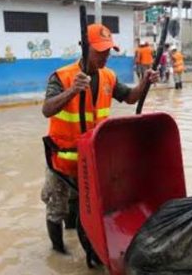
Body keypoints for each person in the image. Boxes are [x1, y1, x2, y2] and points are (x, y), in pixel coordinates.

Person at [41, 23, 159, 254]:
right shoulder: (62, 77)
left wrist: (144, 82)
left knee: (81, 205)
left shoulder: (108, 77)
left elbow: (131, 98)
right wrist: (73, 91)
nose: (105, 56)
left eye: (108, 51)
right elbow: (47, 109)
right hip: (61, 160)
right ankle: (59, 252)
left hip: (89, 160)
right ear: (84, 47)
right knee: (56, 208)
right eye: (100, 51)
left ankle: (76, 237)